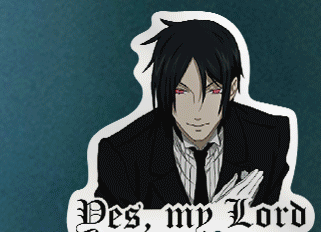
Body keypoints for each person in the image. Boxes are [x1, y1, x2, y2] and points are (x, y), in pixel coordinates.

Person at [93, 17, 290, 208]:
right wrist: (215, 218)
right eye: (181, 91)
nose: (198, 110)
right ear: (164, 89)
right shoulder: (121, 155)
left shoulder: (270, 139)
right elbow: (112, 230)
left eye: (213, 91)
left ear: (232, 89)